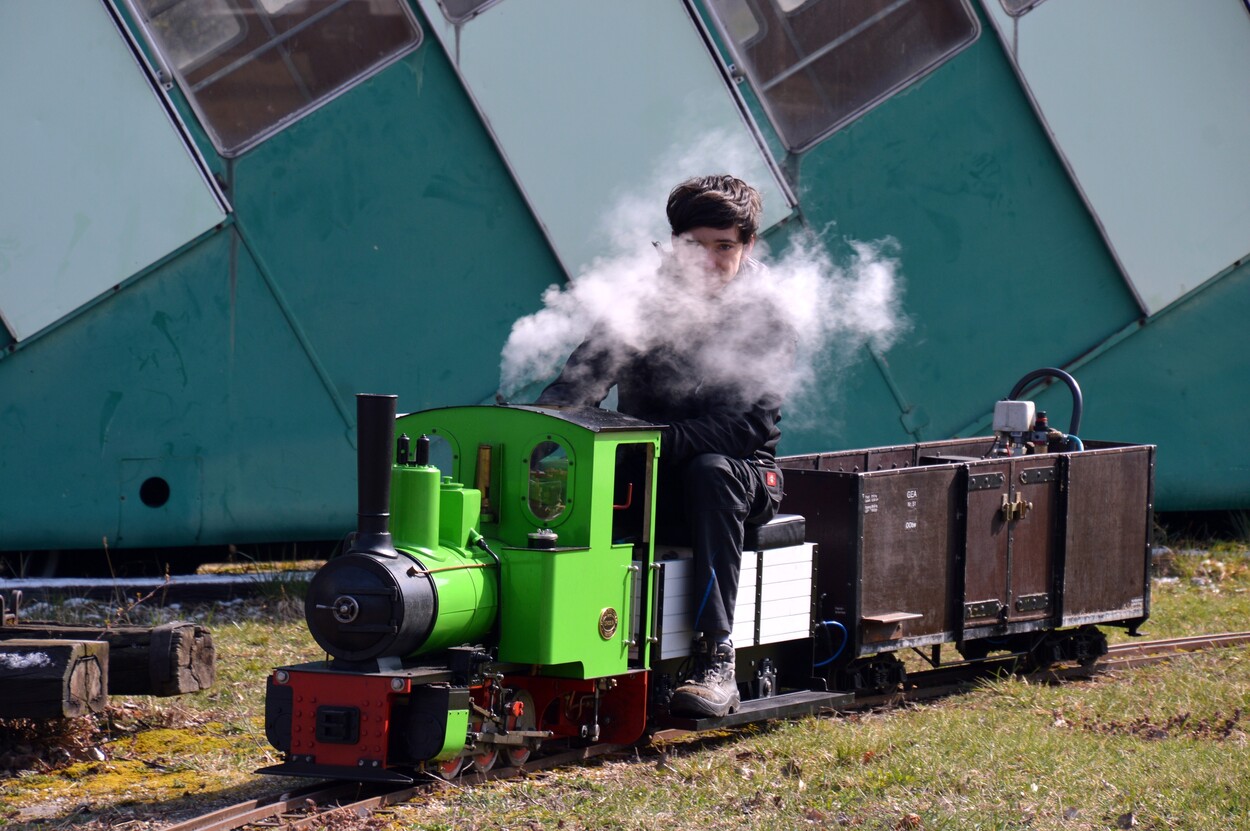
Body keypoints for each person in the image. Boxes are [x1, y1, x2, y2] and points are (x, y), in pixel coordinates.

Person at [535, 174, 794, 718]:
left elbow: (746, 427)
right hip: (645, 466)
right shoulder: (643, 302)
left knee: (711, 471)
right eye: (694, 245)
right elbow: (584, 377)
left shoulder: (768, 314)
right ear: (674, 244)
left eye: (723, 246)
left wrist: (647, 441)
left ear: (746, 247)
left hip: (742, 477)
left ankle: (714, 659)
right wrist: (543, 429)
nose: (707, 259)